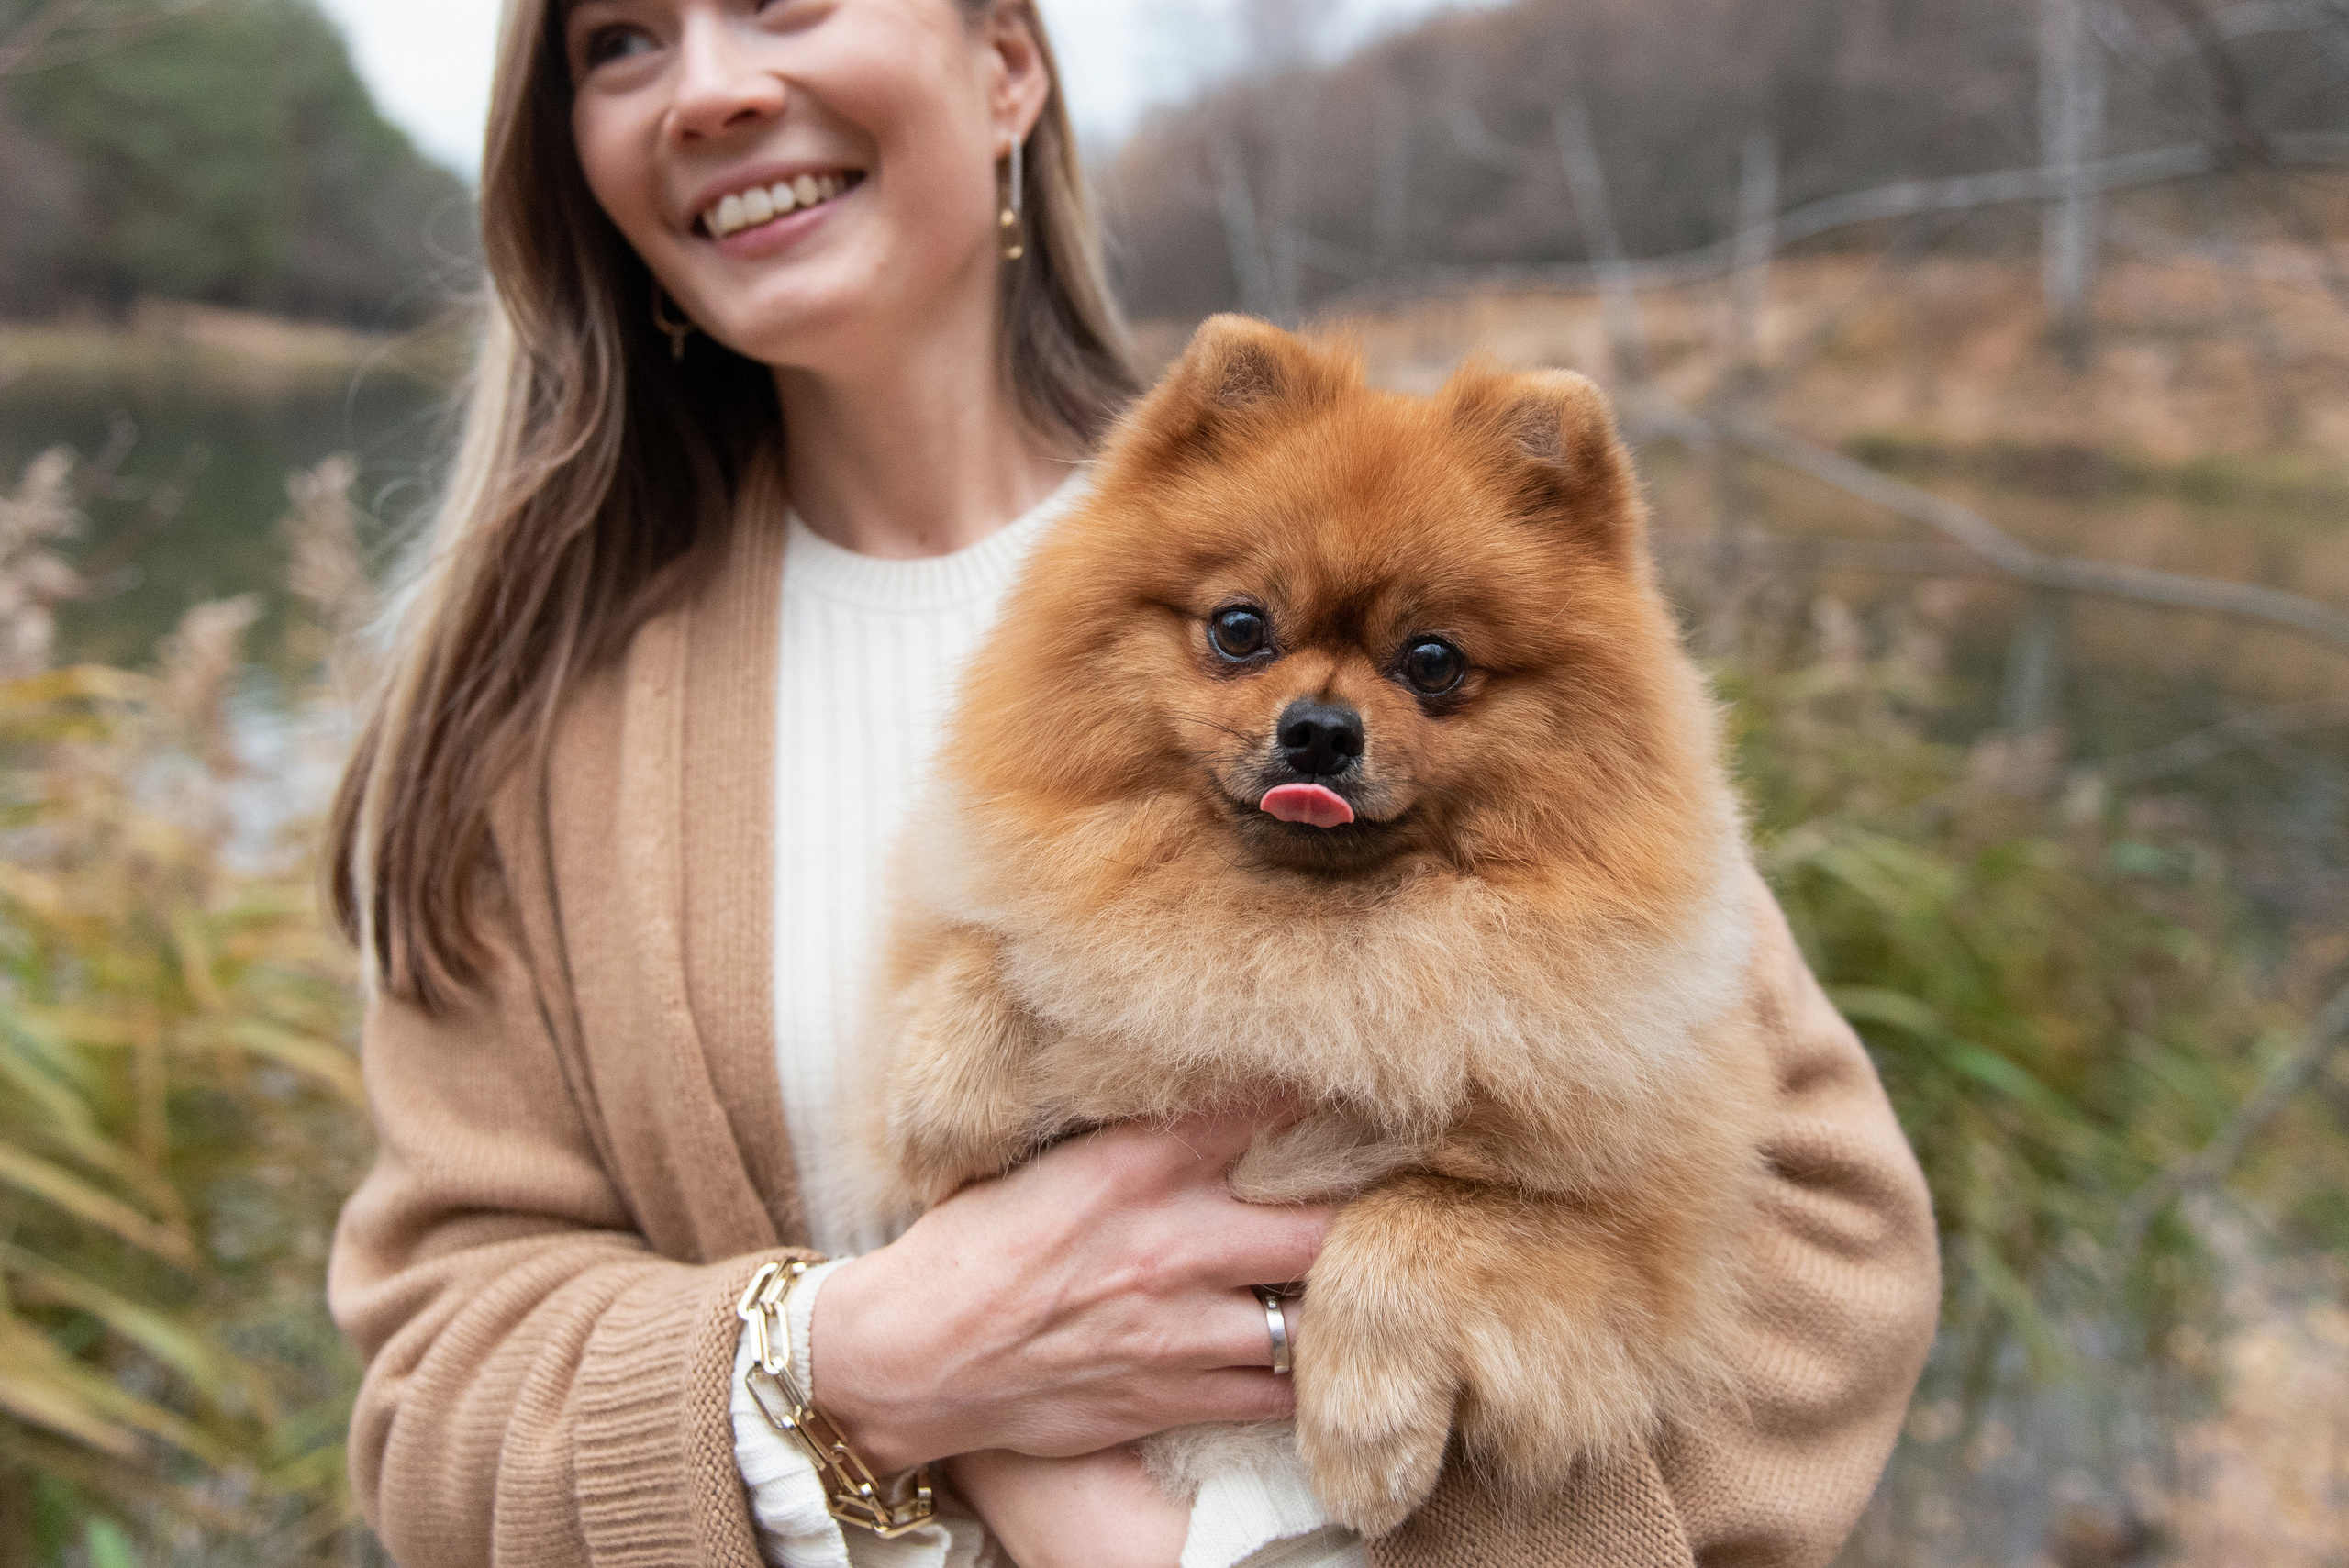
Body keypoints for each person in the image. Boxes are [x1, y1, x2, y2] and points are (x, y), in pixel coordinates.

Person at [324, 2, 1942, 1565]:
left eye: (782, 1)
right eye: (620, 42)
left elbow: (1832, 1247)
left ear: (1007, 63)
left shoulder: (1353, 501)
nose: (710, 88)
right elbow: (432, 1391)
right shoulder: (518, 721)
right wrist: (873, 1368)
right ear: (574, 153)